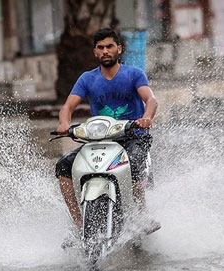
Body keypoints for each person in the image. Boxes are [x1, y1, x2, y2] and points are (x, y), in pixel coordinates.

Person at [55, 28, 160, 236]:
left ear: (119, 49)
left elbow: (151, 100)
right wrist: (64, 123)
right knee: (63, 167)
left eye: (109, 46)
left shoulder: (134, 74)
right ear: (95, 52)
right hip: (101, 140)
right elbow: (67, 107)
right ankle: (78, 224)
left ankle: (142, 216)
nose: (105, 51)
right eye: (100, 47)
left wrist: (146, 118)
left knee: (134, 163)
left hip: (134, 137)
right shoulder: (87, 79)